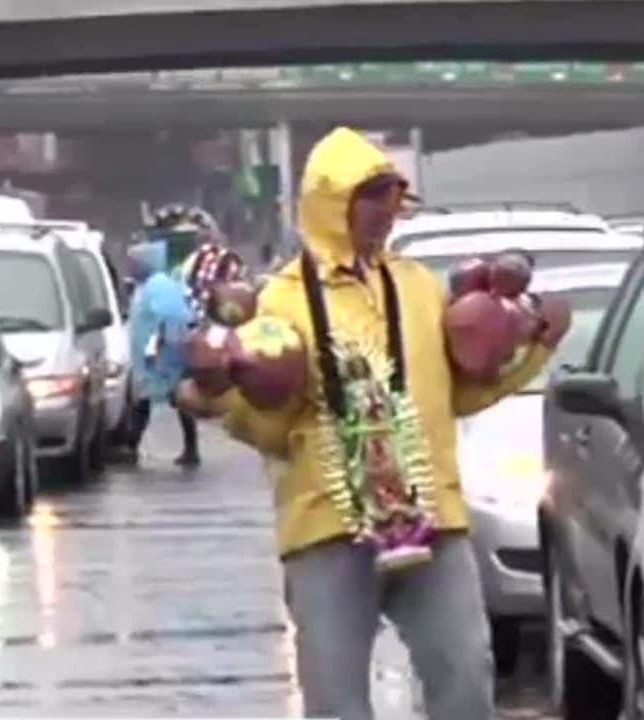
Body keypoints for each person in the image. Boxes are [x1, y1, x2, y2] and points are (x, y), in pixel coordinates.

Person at [175, 127, 569, 720]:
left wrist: (534, 349)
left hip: (432, 523)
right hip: (327, 530)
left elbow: (459, 395)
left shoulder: (417, 287)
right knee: (337, 704)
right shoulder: (280, 301)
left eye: (393, 195)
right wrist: (224, 396)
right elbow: (272, 430)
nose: (387, 210)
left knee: (466, 682)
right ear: (332, 202)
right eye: (372, 195)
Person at [124, 204, 240, 467]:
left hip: (163, 356)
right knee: (157, 401)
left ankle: (141, 446)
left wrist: (165, 345)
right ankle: (144, 446)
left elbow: (174, 317)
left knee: (163, 400)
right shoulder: (152, 284)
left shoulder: (159, 285)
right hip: (157, 356)